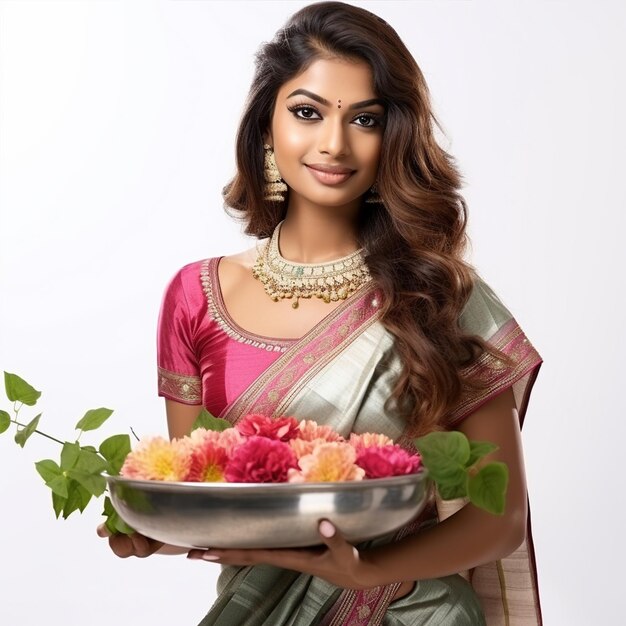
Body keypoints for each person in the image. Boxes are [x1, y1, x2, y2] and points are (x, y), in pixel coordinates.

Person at [98, 2, 543, 624]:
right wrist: (147, 532)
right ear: (265, 128)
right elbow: (218, 507)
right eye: (307, 113)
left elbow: (499, 520)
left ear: (393, 137)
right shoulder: (196, 296)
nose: (334, 143)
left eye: (365, 119)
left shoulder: (439, 297)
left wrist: (367, 570)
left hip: (411, 612)